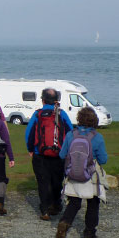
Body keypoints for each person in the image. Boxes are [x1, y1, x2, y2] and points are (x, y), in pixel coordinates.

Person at [55, 107, 108, 238]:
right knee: (93, 204)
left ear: (79, 119)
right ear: (94, 121)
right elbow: (103, 160)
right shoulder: (98, 137)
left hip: (73, 174)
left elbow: (62, 155)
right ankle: (89, 234)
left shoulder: (70, 134)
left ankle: (64, 222)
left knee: (74, 203)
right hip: (90, 176)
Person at [25, 88, 73, 221]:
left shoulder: (37, 114)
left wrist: (30, 149)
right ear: (57, 100)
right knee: (57, 181)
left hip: (39, 154)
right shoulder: (62, 114)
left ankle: (45, 210)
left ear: (43, 100)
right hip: (59, 154)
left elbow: (28, 133)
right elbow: (70, 132)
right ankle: (56, 205)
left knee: (43, 182)